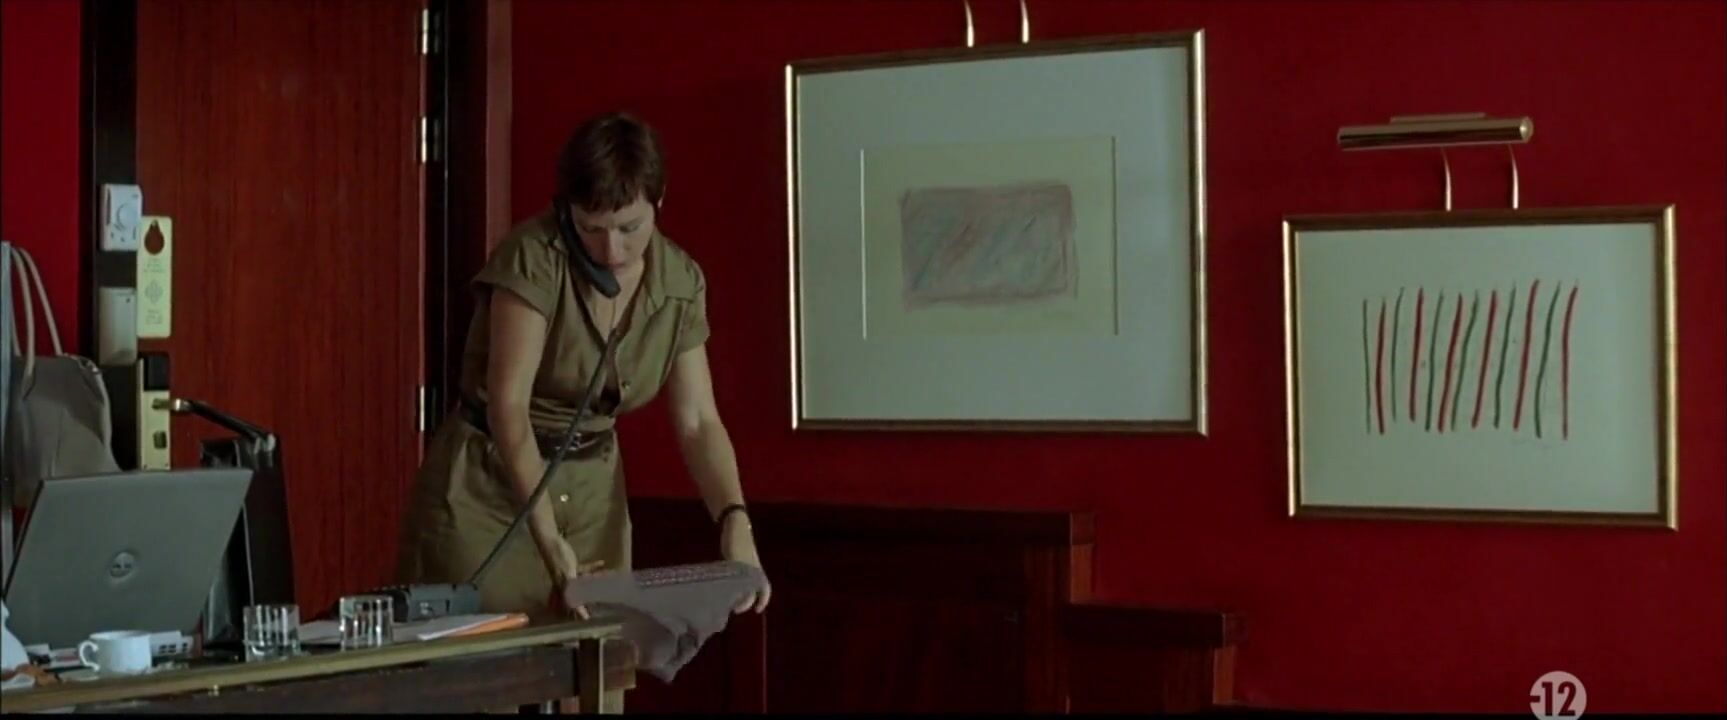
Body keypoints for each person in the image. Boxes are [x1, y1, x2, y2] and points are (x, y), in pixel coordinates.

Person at [396, 112, 769, 617]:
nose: (611, 250)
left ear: (659, 202)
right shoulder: (534, 257)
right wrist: (548, 537)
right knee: (484, 655)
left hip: (593, 493)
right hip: (491, 488)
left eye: (629, 228)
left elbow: (699, 421)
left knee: (602, 652)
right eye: (590, 228)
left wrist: (734, 519)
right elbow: (509, 406)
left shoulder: (681, 284)